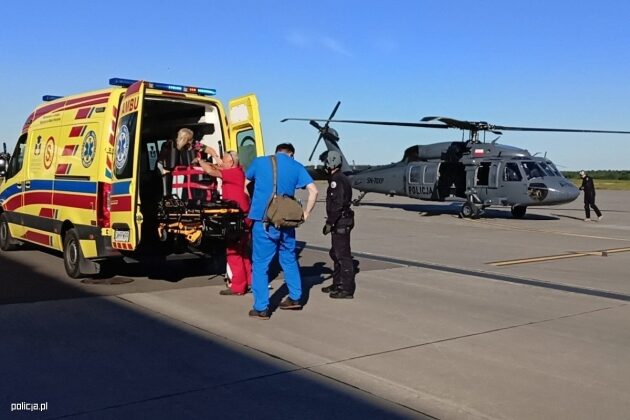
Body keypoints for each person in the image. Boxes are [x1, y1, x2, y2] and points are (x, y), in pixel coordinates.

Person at [244, 143, 318, 319]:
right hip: (287, 222)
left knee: (261, 265)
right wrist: (306, 213)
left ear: (276, 151)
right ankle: (295, 297)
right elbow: (313, 191)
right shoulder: (296, 166)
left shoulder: (260, 162)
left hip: (264, 221)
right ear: (291, 154)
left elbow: (245, 185)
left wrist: (256, 202)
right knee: (289, 259)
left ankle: (261, 308)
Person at [194, 147, 252, 295]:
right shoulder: (238, 171)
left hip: (236, 217)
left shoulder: (232, 173)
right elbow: (217, 167)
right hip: (245, 216)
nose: (222, 162)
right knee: (243, 251)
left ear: (231, 161)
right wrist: (210, 161)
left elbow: (211, 172)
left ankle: (238, 286)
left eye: (224, 160)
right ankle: (250, 281)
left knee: (233, 252)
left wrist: (200, 161)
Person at [320, 151, 356, 299]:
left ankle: (346, 289)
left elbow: (337, 204)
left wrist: (329, 223)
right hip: (340, 221)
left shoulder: (337, 180)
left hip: (340, 222)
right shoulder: (340, 178)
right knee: (335, 254)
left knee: (343, 256)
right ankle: (338, 283)